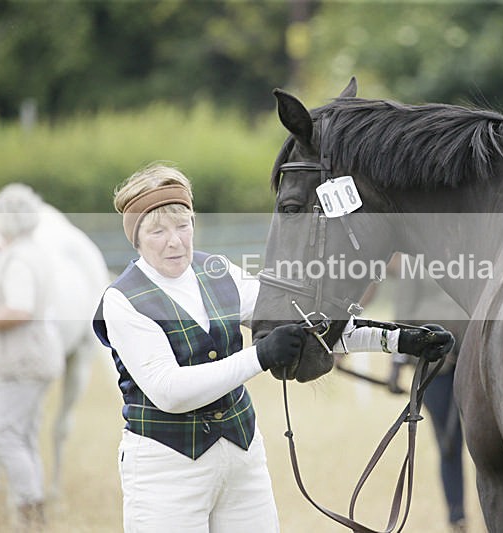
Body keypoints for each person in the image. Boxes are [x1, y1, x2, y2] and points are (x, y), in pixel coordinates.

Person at [92, 163, 454, 533]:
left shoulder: (220, 272)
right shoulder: (123, 300)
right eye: (157, 231)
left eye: (183, 226)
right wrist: (260, 356)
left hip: (242, 456)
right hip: (165, 468)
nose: (174, 241)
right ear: (135, 238)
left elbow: (306, 325)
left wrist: (397, 339)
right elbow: (170, 392)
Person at [0, 184, 64, 529]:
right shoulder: (31, 251)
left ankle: (29, 507)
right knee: (23, 437)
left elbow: (19, 309)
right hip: (36, 358)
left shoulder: (18, 258)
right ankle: (32, 512)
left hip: (19, 361)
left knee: (6, 438)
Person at [382, 254, 469, 533]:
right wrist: (396, 364)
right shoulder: (414, 258)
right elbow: (404, 312)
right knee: (448, 442)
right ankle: (457, 517)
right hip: (436, 366)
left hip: (475, 356)